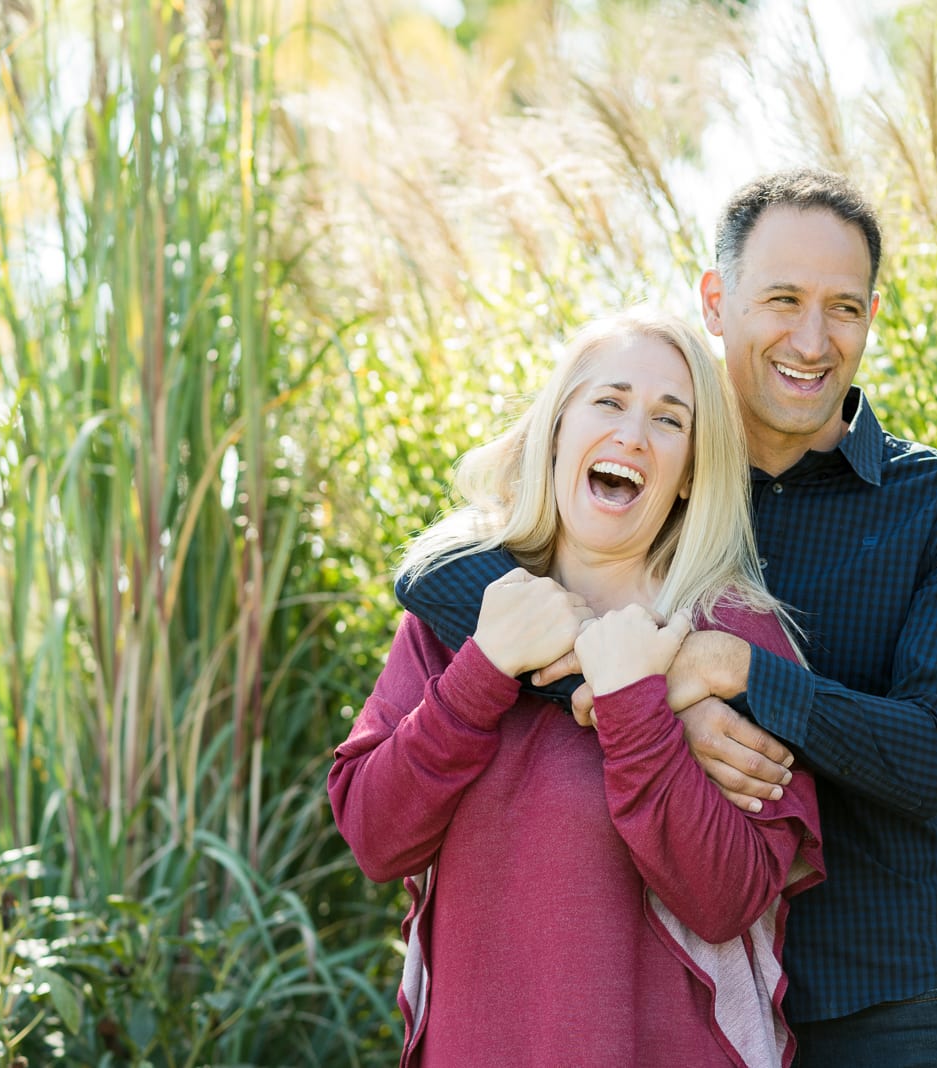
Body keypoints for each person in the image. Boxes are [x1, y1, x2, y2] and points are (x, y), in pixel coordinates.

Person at [399, 170, 937, 1068]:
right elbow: (437, 571)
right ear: (717, 300)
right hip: (676, 991)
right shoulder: (659, 468)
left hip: (879, 992)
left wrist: (731, 670)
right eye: (782, 300)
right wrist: (654, 693)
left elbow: (929, 755)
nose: (813, 339)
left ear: (873, 314)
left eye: (844, 307)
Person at [329, 309, 824, 1068]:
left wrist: (637, 708)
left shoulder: (736, 641)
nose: (632, 434)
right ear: (555, 431)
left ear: (691, 471)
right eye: (608, 401)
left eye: (669, 419)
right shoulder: (459, 614)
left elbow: (728, 899)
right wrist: (483, 670)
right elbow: (375, 836)